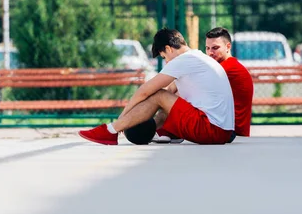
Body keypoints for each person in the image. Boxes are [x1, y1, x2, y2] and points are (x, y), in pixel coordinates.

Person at [79, 28, 235, 145]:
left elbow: (146, 91)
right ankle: (162, 131)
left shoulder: (183, 60)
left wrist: (122, 119)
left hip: (211, 130)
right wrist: (146, 121)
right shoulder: (197, 57)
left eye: (164, 57)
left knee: (158, 94)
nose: (166, 61)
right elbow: (171, 92)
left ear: (168, 49)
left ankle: (110, 131)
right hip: (223, 131)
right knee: (166, 95)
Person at [205, 27, 254, 137]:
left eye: (215, 48)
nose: (210, 53)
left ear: (228, 47)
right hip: (229, 128)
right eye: (207, 48)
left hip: (231, 132)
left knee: (164, 96)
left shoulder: (226, 68)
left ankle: (164, 131)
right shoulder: (226, 66)